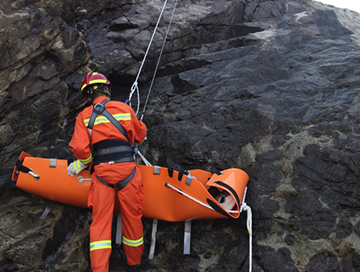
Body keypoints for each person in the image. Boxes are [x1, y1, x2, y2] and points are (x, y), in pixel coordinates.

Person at [67, 72, 147, 272]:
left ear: (88, 96)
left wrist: (84, 163)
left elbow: (79, 149)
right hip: (127, 171)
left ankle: (100, 268)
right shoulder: (123, 108)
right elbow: (140, 136)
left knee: (100, 222)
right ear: (107, 88)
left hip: (102, 174)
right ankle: (134, 263)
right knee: (132, 218)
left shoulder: (84, 116)